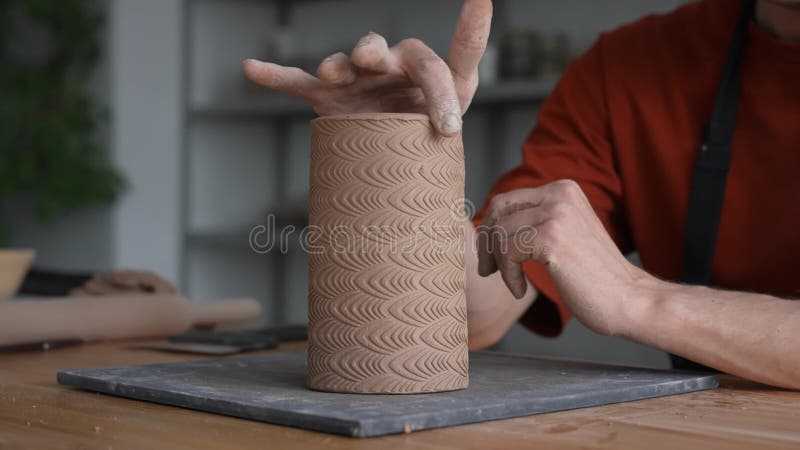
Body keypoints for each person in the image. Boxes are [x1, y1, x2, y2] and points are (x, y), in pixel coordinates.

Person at [242, 0, 800, 389]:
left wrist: (638, 299)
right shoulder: (631, 67)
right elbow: (475, 311)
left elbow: (628, 296)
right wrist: (400, 161)